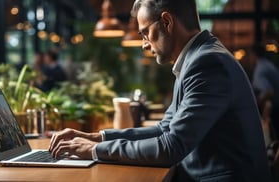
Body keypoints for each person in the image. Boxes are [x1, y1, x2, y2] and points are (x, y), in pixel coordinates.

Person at [48, 0, 271, 181]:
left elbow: (170, 147)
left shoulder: (207, 63)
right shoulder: (197, 58)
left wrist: (94, 151)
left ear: (166, 22)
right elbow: (165, 129)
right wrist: (97, 138)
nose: (144, 44)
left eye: (145, 33)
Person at [251, 44, 279, 140]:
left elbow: (269, 91)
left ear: (254, 55)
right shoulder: (269, 65)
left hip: (274, 111)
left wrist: (256, 103)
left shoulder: (260, 70)